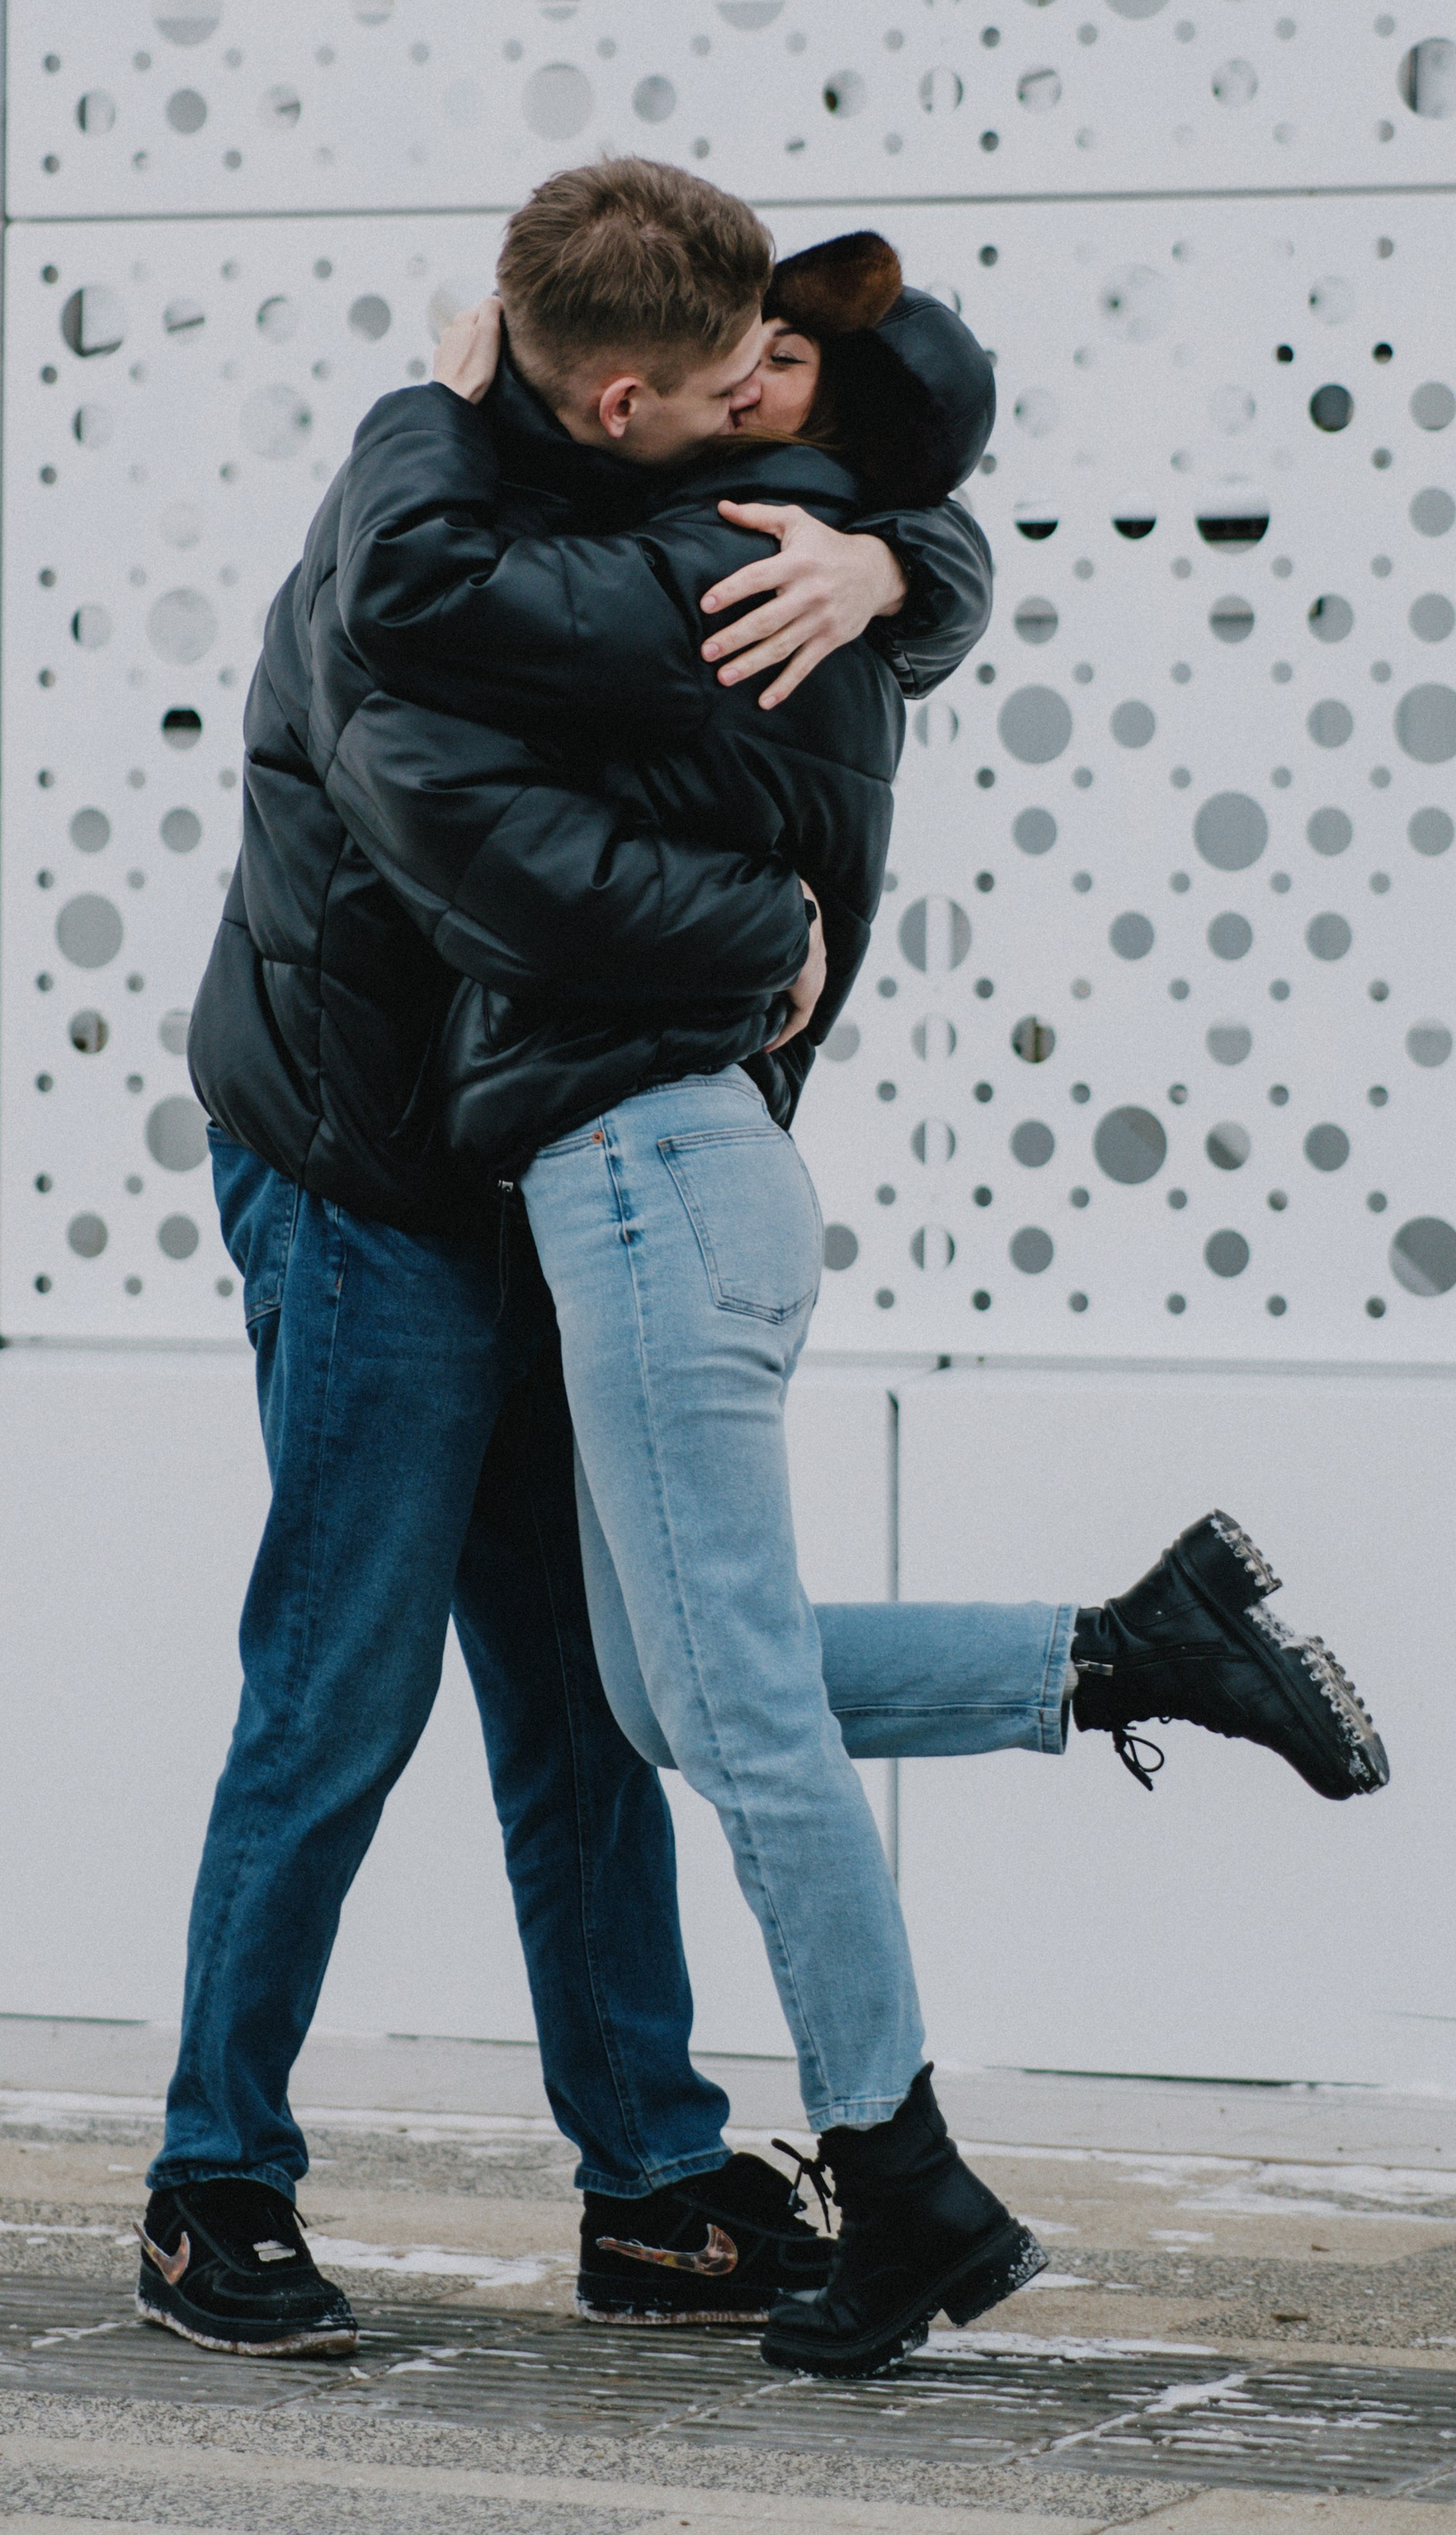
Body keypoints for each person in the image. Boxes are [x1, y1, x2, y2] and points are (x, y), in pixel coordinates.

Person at [139, 162, 1383, 2377]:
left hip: (554, 1171)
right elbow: (460, 825)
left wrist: (906, 555)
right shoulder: (430, 557)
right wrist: (761, 928)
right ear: (625, 401)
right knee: (349, 1687)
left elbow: (877, 489)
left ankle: (651, 2186)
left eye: (780, 366)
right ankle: (213, 2183)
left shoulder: (685, 516)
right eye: (733, 373)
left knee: (604, 1707)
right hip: (367, 1176)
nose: (755, 391)